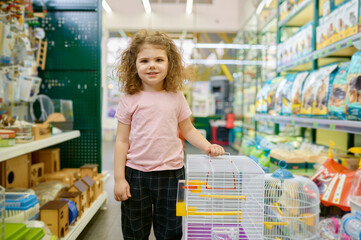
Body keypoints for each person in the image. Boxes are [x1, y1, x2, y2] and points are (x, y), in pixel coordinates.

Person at [113, 29, 225, 240]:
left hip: (172, 175)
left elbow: (188, 129)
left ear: (170, 63)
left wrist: (207, 146)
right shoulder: (129, 98)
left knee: (171, 230)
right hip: (136, 175)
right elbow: (121, 140)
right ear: (133, 65)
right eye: (144, 60)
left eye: (159, 59)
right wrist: (119, 179)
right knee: (134, 230)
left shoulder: (176, 96)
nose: (152, 65)